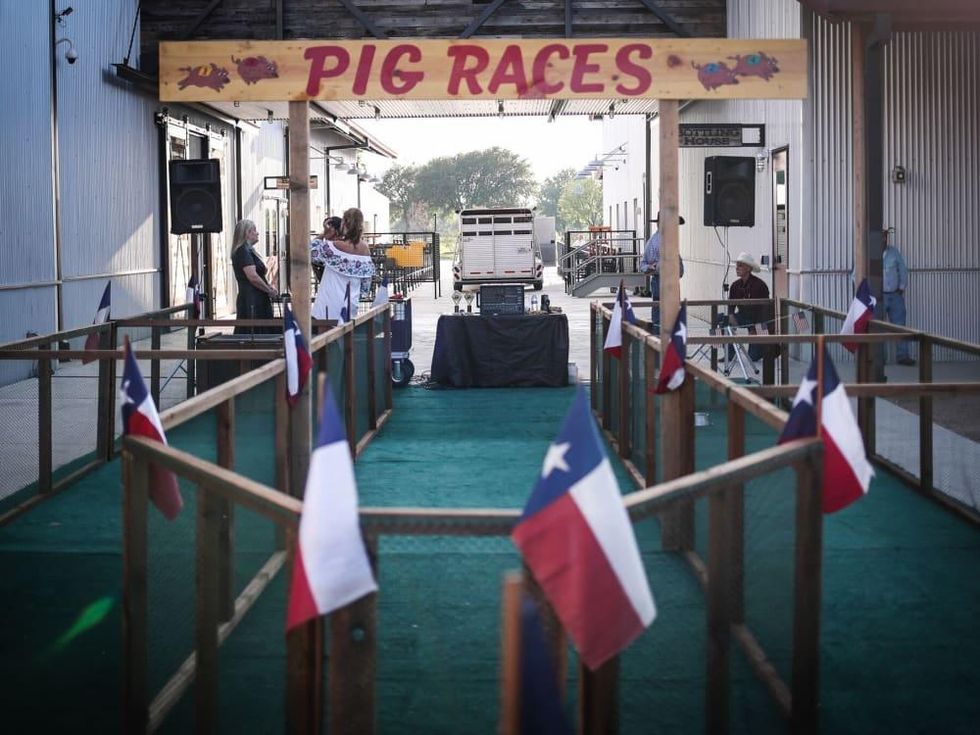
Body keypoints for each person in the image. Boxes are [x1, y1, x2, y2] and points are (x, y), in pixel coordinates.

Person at [311, 207, 376, 323]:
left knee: (324, 337)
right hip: (350, 303)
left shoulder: (334, 246)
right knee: (347, 339)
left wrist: (324, 234)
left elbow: (309, 251)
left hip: (328, 303)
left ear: (344, 223)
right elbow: (366, 283)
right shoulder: (365, 249)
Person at [638, 211, 685, 331]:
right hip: (661, 281)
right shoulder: (654, 242)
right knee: (660, 313)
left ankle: (666, 340)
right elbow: (643, 265)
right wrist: (651, 267)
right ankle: (659, 340)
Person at [231, 219, 278, 334]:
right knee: (255, 332)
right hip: (252, 298)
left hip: (257, 296)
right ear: (247, 233)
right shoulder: (243, 251)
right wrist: (268, 290)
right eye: (254, 230)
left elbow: (259, 273)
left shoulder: (249, 251)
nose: (257, 233)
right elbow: (252, 277)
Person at [727, 251, 771, 361]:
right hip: (743, 317)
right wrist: (731, 315)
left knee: (754, 357)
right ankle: (729, 353)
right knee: (721, 320)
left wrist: (755, 328)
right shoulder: (735, 286)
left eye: (740, 265)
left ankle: (769, 350)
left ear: (748, 268)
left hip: (760, 321)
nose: (737, 268)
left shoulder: (760, 285)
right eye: (737, 265)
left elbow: (765, 310)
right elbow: (730, 304)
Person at [882, 228, 913, 365]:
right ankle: (879, 358)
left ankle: (903, 356)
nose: (883, 239)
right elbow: (855, 274)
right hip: (878, 298)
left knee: (900, 325)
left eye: (885, 237)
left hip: (895, 296)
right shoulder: (867, 252)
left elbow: (903, 270)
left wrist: (901, 287)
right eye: (881, 237)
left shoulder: (894, 252)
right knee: (877, 327)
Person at [310, 216, 343, 286]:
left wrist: (324, 234)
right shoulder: (348, 245)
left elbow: (309, 251)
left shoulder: (328, 248)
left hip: (330, 289)